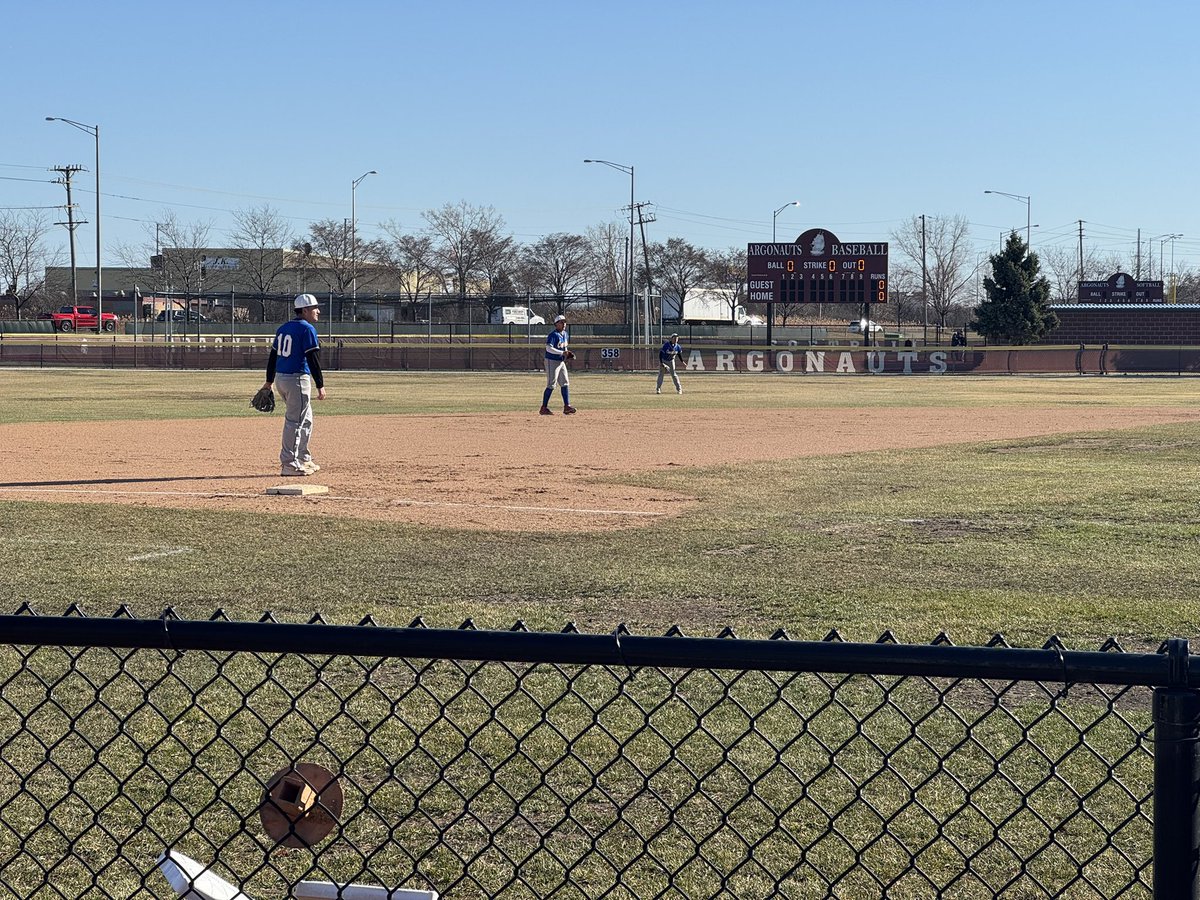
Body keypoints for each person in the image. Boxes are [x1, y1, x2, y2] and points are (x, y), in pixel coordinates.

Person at [261, 293, 326, 476]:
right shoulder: (307, 329)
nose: (318, 311)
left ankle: (303, 458)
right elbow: (313, 358)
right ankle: (289, 464)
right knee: (294, 422)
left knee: (306, 419)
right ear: (305, 310)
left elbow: (273, 356)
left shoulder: (283, 328)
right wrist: (320, 385)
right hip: (297, 379)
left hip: (282, 378)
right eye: (314, 308)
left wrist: (269, 381)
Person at [540, 314, 576, 415]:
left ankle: (567, 406)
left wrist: (567, 354)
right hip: (551, 361)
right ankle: (544, 408)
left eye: (565, 322)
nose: (564, 324)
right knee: (551, 384)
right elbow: (548, 348)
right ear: (556, 324)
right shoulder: (553, 335)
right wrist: (562, 353)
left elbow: (564, 348)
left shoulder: (565, 334)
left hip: (561, 361)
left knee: (565, 383)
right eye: (561, 322)